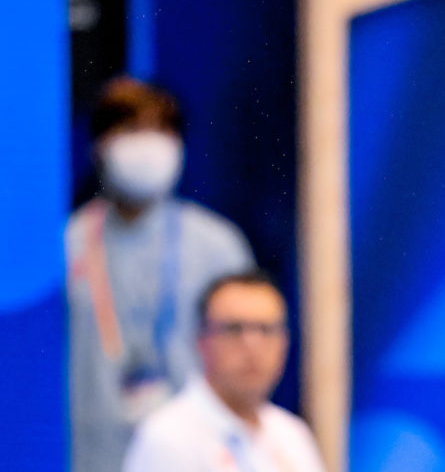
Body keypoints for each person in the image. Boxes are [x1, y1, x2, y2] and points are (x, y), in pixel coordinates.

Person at [65, 76, 255, 472]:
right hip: (95, 454)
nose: (147, 145)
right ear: (100, 145)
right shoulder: (68, 247)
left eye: (160, 131)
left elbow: (247, 359)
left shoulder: (218, 245)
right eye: (132, 130)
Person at [122, 271, 326, 472]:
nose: (252, 345)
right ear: (201, 340)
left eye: (266, 329)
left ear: (284, 343)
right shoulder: (168, 440)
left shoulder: (292, 435)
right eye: (234, 329)